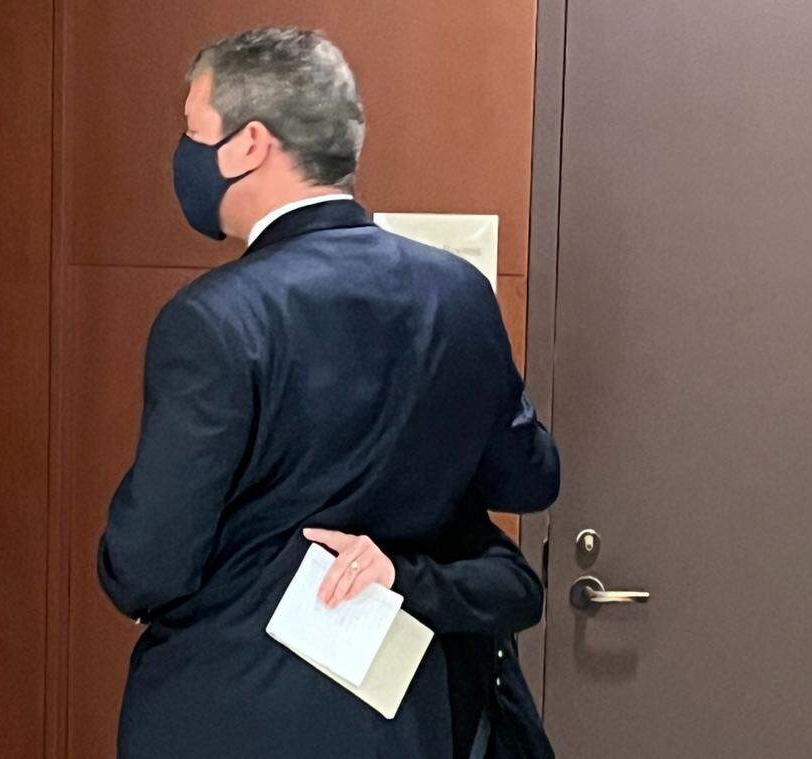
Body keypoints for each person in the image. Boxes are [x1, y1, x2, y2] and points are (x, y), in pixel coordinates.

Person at [96, 26, 560, 759]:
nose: (183, 156)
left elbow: (147, 565)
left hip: (230, 710)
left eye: (193, 131)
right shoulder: (459, 294)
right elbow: (529, 478)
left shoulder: (215, 319)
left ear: (249, 144)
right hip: (414, 711)